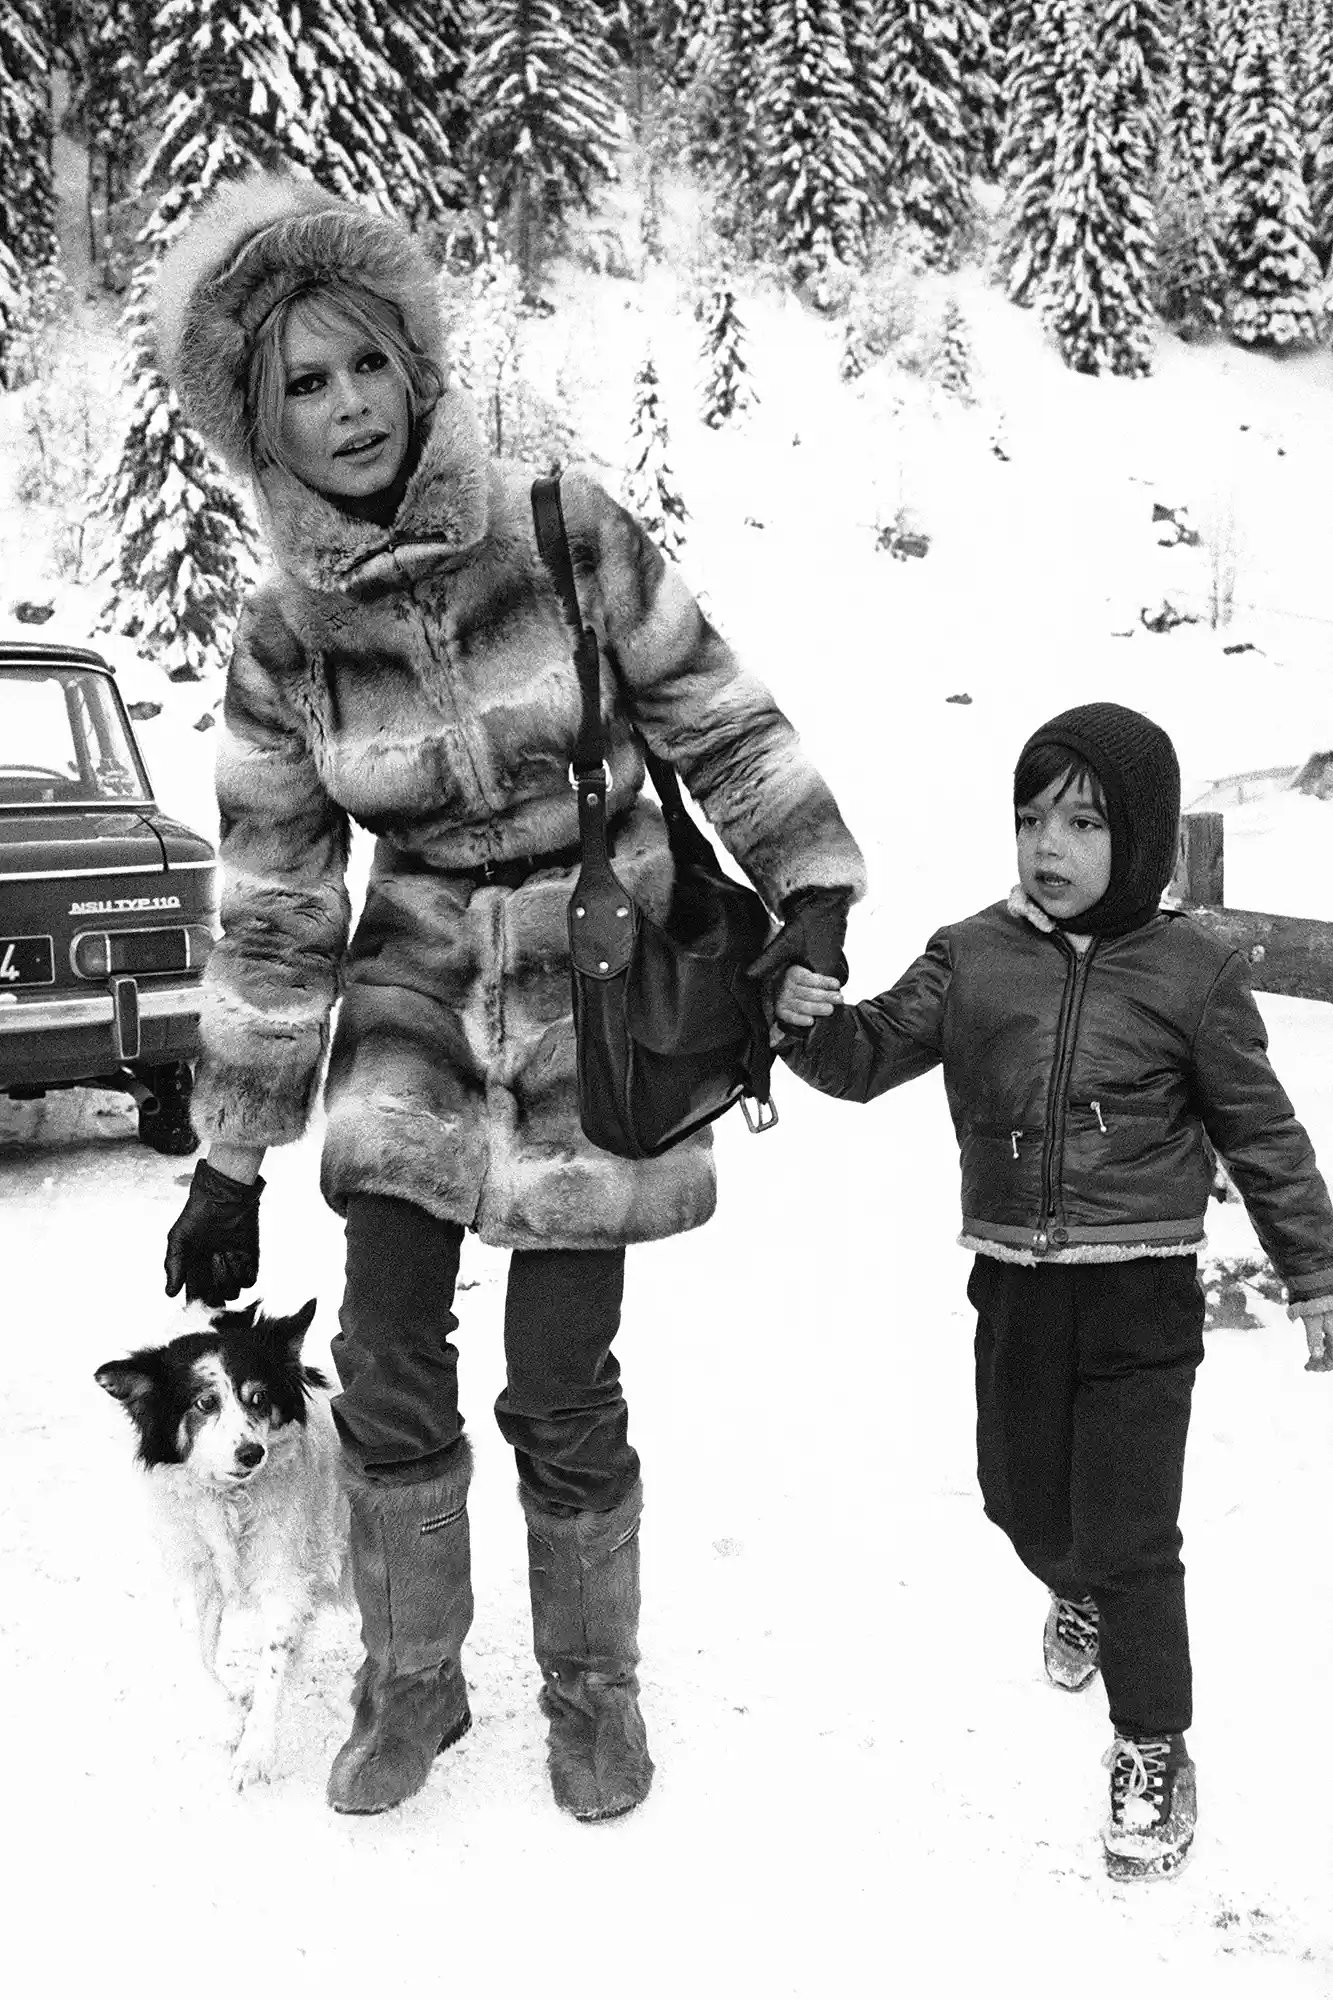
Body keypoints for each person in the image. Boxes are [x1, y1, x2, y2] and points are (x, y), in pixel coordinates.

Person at [155, 174, 864, 1822]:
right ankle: (412, 1681)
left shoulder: (561, 530)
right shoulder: (284, 642)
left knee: (558, 1372)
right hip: (411, 981)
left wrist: (812, 884)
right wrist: (230, 1156)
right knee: (386, 1351)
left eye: (366, 364)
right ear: (260, 426)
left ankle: (592, 1689)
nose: (347, 406)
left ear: (415, 365)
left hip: (592, 970)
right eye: (304, 384)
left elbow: (717, 716)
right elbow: (278, 901)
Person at [772, 701, 1333, 1881]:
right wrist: (802, 1025)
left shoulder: (1192, 970)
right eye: (1031, 818)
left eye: (1083, 823)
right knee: (1019, 1498)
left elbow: (1262, 1133)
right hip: (1016, 1287)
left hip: (1142, 1297)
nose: (1048, 846)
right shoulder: (973, 954)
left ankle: (1152, 1739)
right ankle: (1070, 1586)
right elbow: (864, 1057)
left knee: (1131, 1533)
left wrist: (1315, 1269)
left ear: (1141, 837)